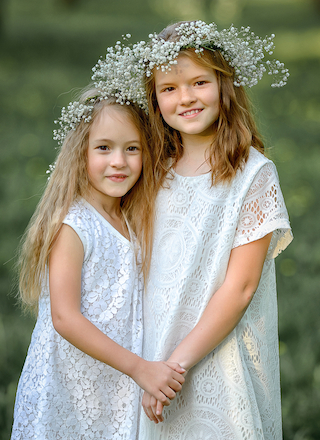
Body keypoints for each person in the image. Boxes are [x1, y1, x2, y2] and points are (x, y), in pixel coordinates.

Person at [134, 21, 293, 439]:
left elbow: (240, 288)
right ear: (155, 98)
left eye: (199, 82)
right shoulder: (153, 168)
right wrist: (156, 366)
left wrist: (178, 364)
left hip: (218, 351)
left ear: (226, 85)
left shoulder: (253, 175)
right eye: (168, 88)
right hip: (154, 345)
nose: (185, 97)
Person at [11, 87, 185, 440]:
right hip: (68, 383)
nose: (119, 161)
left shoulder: (131, 221)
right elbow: (65, 318)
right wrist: (140, 369)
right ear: (80, 153)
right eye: (103, 147)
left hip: (112, 384)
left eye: (131, 148)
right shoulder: (73, 225)